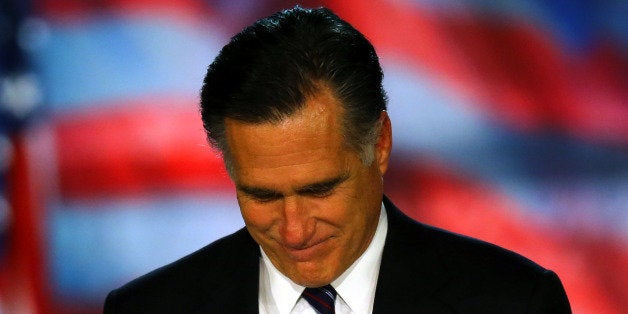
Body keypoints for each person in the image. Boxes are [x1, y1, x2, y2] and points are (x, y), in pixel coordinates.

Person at [104, 6, 571, 313]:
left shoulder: (513, 304)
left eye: (319, 189)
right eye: (262, 195)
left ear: (380, 143)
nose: (294, 230)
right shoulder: (149, 309)